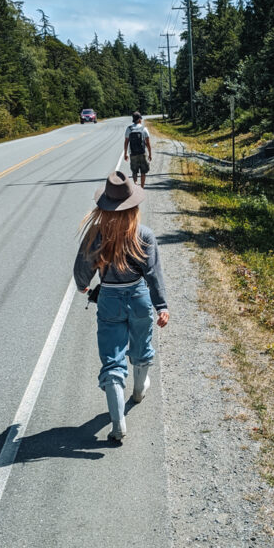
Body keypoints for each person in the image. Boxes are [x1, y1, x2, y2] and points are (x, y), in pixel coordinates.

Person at [73, 171, 169, 442]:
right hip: (139, 297)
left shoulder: (96, 234)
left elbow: (82, 268)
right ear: (133, 206)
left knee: (112, 360)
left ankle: (118, 424)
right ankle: (138, 390)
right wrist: (161, 305)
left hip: (110, 299)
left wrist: (83, 285)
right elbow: (154, 274)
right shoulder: (145, 235)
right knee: (141, 345)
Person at [124, 111, 152, 187]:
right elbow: (148, 143)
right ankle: (142, 187)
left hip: (133, 154)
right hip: (142, 153)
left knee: (134, 171)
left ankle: (136, 184)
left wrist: (125, 154)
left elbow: (126, 142)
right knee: (143, 171)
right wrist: (150, 154)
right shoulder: (144, 129)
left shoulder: (129, 129)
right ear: (139, 119)